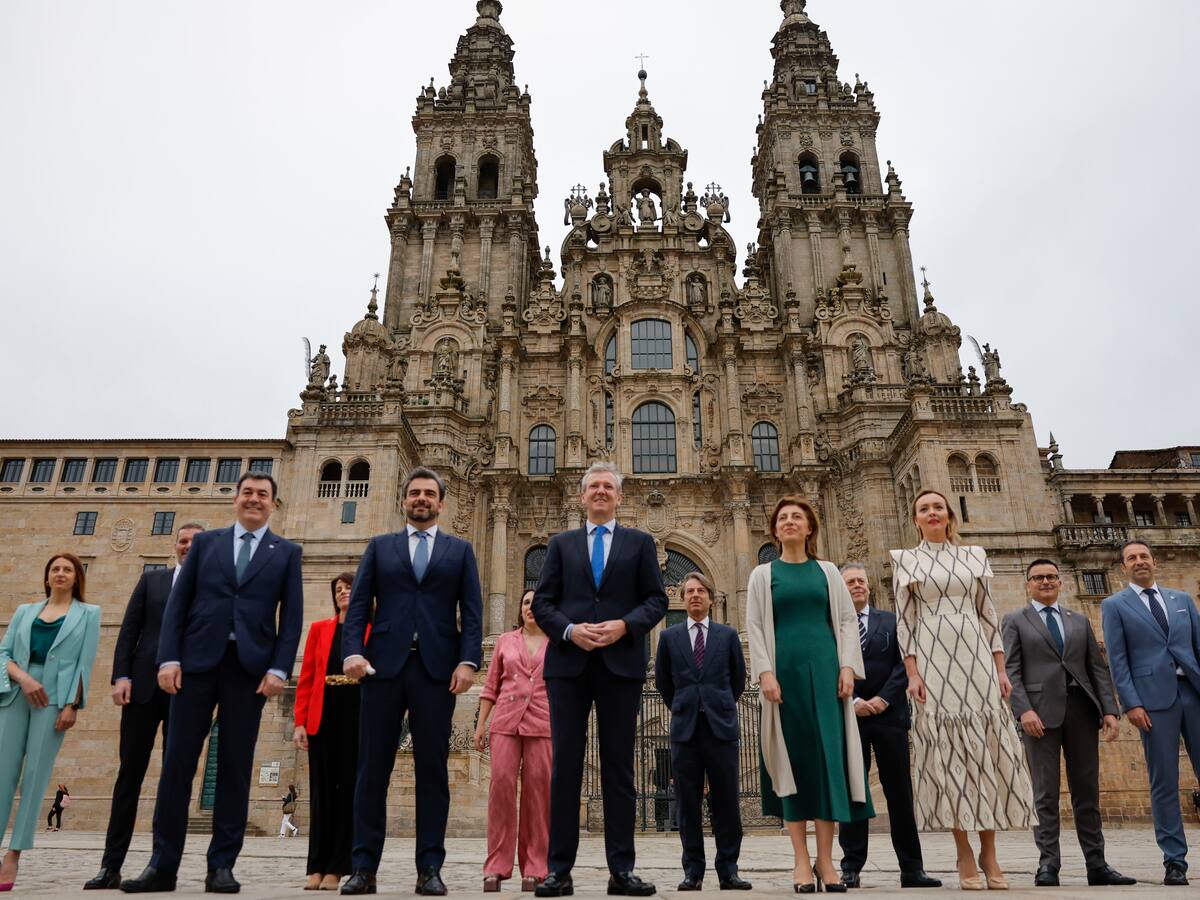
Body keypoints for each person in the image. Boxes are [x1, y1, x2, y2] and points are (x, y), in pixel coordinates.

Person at [121, 471, 304, 895]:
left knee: (236, 770)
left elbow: (291, 617)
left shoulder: (286, 552)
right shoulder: (205, 543)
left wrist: (280, 669)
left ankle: (221, 865)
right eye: (247, 493)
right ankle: (162, 865)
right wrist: (168, 658)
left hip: (249, 671)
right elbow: (178, 607)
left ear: (273, 504)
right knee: (176, 768)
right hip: (196, 666)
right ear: (235, 499)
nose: (254, 500)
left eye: (262, 494)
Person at [340, 466, 483, 896]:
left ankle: (430, 868)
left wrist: (468, 662)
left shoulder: (460, 551)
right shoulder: (380, 547)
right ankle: (363, 867)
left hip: (436, 670)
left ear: (441, 503)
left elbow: (472, 614)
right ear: (404, 500)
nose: (421, 499)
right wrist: (352, 651)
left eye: (429, 494)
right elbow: (360, 604)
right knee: (372, 769)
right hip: (382, 667)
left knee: (433, 772)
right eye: (415, 493)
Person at [531, 461, 667, 898]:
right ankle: (559, 870)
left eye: (609, 486)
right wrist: (570, 631)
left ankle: (621, 870)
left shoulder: (640, 543)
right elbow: (544, 602)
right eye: (594, 487)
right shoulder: (560, 544)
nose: (601, 492)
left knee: (619, 770)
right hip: (568, 665)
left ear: (620, 496)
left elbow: (657, 599)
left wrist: (625, 626)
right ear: (582, 495)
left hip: (620, 664)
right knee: (566, 768)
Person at [891, 489, 1034, 891]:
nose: (932, 513)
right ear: (915, 518)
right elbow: (906, 622)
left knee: (986, 752)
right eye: (924, 509)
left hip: (976, 657)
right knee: (947, 754)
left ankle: (990, 853)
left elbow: (989, 613)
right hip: (934, 659)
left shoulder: (975, 555)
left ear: (949, 514)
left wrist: (1000, 668)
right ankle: (964, 854)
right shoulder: (905, 560)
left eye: (938, 507)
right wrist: (913, 674)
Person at [746, 497, 871, 894]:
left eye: (796, 517)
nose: (789, 522)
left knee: (827, 762)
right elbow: (755, 625)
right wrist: (764, 671)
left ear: (810, 526)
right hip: (784, 677)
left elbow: (848, 621)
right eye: (782, 518)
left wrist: (848, 666)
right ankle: (801, 861)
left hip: (828, 674)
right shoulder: (763, 575)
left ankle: (826, 861)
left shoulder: (829, 571)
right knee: (793, 763)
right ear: (775, 528)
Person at [85, 522, 202, 891]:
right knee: (128, 778)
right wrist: (121, 675)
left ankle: (161, 863)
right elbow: (130, 630)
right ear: (175, 546)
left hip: (186, 692)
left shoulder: (212, 589)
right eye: (182, 541)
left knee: (175, 780)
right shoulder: (153, 582)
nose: (187, 546)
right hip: (142, 689)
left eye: (194, 542)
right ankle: (110, 865)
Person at [1002, 558, 1133, 887]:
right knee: (1045, 792)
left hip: (1081, 712)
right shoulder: (1015, 620)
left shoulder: (1078, 620)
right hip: (1038, 715)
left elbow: (1097, 668)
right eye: (1038, 578)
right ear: (1027, 584)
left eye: (1051, 577)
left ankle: (1097, 864)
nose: (1045, 582)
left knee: (1086, 791)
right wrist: (1023, 710)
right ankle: (1048, 864)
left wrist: (1109, 710)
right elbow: (1009, 671)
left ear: (1060, 583)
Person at [1101, 540, 1200, 887]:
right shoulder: (1114, 605)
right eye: (1132, 558)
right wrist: (1131, 703)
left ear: (1154, 561)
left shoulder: (1182, 600)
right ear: (1123, 566)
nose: (1139, 561)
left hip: (1194, 694)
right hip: (1153, 702)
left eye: (1144, 556)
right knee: (1164, 783)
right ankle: (1175, 861)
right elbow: (1118, 658)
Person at [836, 563, 941, 890]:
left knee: (899, 792)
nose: (857, 586)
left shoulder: (892, 621)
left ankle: (912, 867)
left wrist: (883, 698)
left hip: (889, 715)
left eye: (860, 581)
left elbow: (905, 663)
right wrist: (854, 702)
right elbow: (829, 664)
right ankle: (851, 866)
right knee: (854, 792)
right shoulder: (834, 625)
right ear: (840, 588)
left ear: (869, 586)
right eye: (850, 582)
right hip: (850, 714)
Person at [0, 552, 101, 891]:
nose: (60, 573)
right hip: (17, 694)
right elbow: (4, 654)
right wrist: (24, 679)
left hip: (55, 700)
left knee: (35, 776)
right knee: (2, 773)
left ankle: (13, 855)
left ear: (77, 577)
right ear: (46, 577)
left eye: (67, 569)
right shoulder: (25, 612)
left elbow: (85, 663)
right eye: (55, 569)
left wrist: (72, 705)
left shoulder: (89, 614)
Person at [653, 571, 751, 892]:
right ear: (682, 598)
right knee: (687, 803)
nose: (695, 595)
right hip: (685, 729)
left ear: (710, 598)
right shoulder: (669, 637)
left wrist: (718, 704)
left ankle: (728, 869)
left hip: (720, 727)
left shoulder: (727, 636)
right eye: (690, 591)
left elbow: (738, 679)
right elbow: (665, 683)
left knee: (726, 801)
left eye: (701, 591)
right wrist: (683, 706)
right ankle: (693, 871)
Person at [474, 589, 551, 893]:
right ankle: (496, 866)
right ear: (520, 609)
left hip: (543, 722)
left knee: (538, 794)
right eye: (527, 603)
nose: (531, 607)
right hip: (505, 721)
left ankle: (535, 866)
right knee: (502, 788)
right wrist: (481, 725)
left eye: (537, 603)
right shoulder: (505, 641)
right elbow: (491, 685)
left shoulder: (557, 644)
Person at [294, 572, 363, 891]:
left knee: (347, 791)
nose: (343, 592)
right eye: (338, 589)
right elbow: (307, 676)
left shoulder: (369, 630)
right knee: (320, 792)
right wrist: (300, 722)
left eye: (349, 588)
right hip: (322, 713)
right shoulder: (319, 629)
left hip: (355, 715)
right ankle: (316, 866)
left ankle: (337, 867)